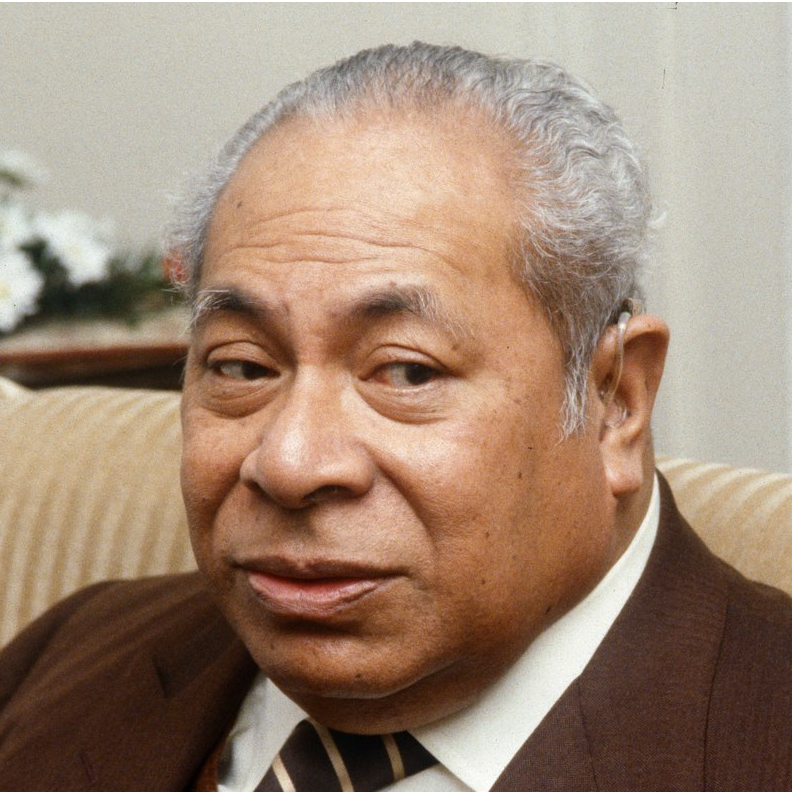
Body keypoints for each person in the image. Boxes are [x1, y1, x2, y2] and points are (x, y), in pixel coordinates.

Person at [1, 42, 790, 791]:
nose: (291, 464)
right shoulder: (66, 661)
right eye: (242, 366)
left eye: (406, 372)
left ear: (616, 401)